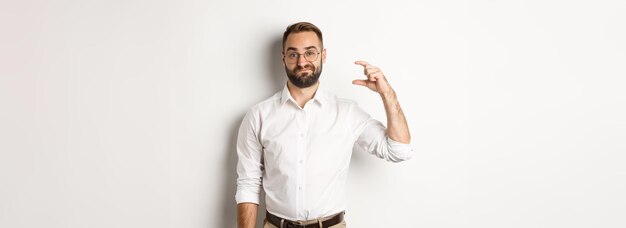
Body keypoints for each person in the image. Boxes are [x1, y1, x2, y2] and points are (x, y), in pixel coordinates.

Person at [235, 22, 414, 228]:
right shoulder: (259, 115)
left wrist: (387, 93)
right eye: (293, 54)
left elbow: (399, 151)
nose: (302, 61)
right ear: (283, 58)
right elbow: (248, 184)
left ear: (323, 55)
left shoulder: (347, 112)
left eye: (310, 53)